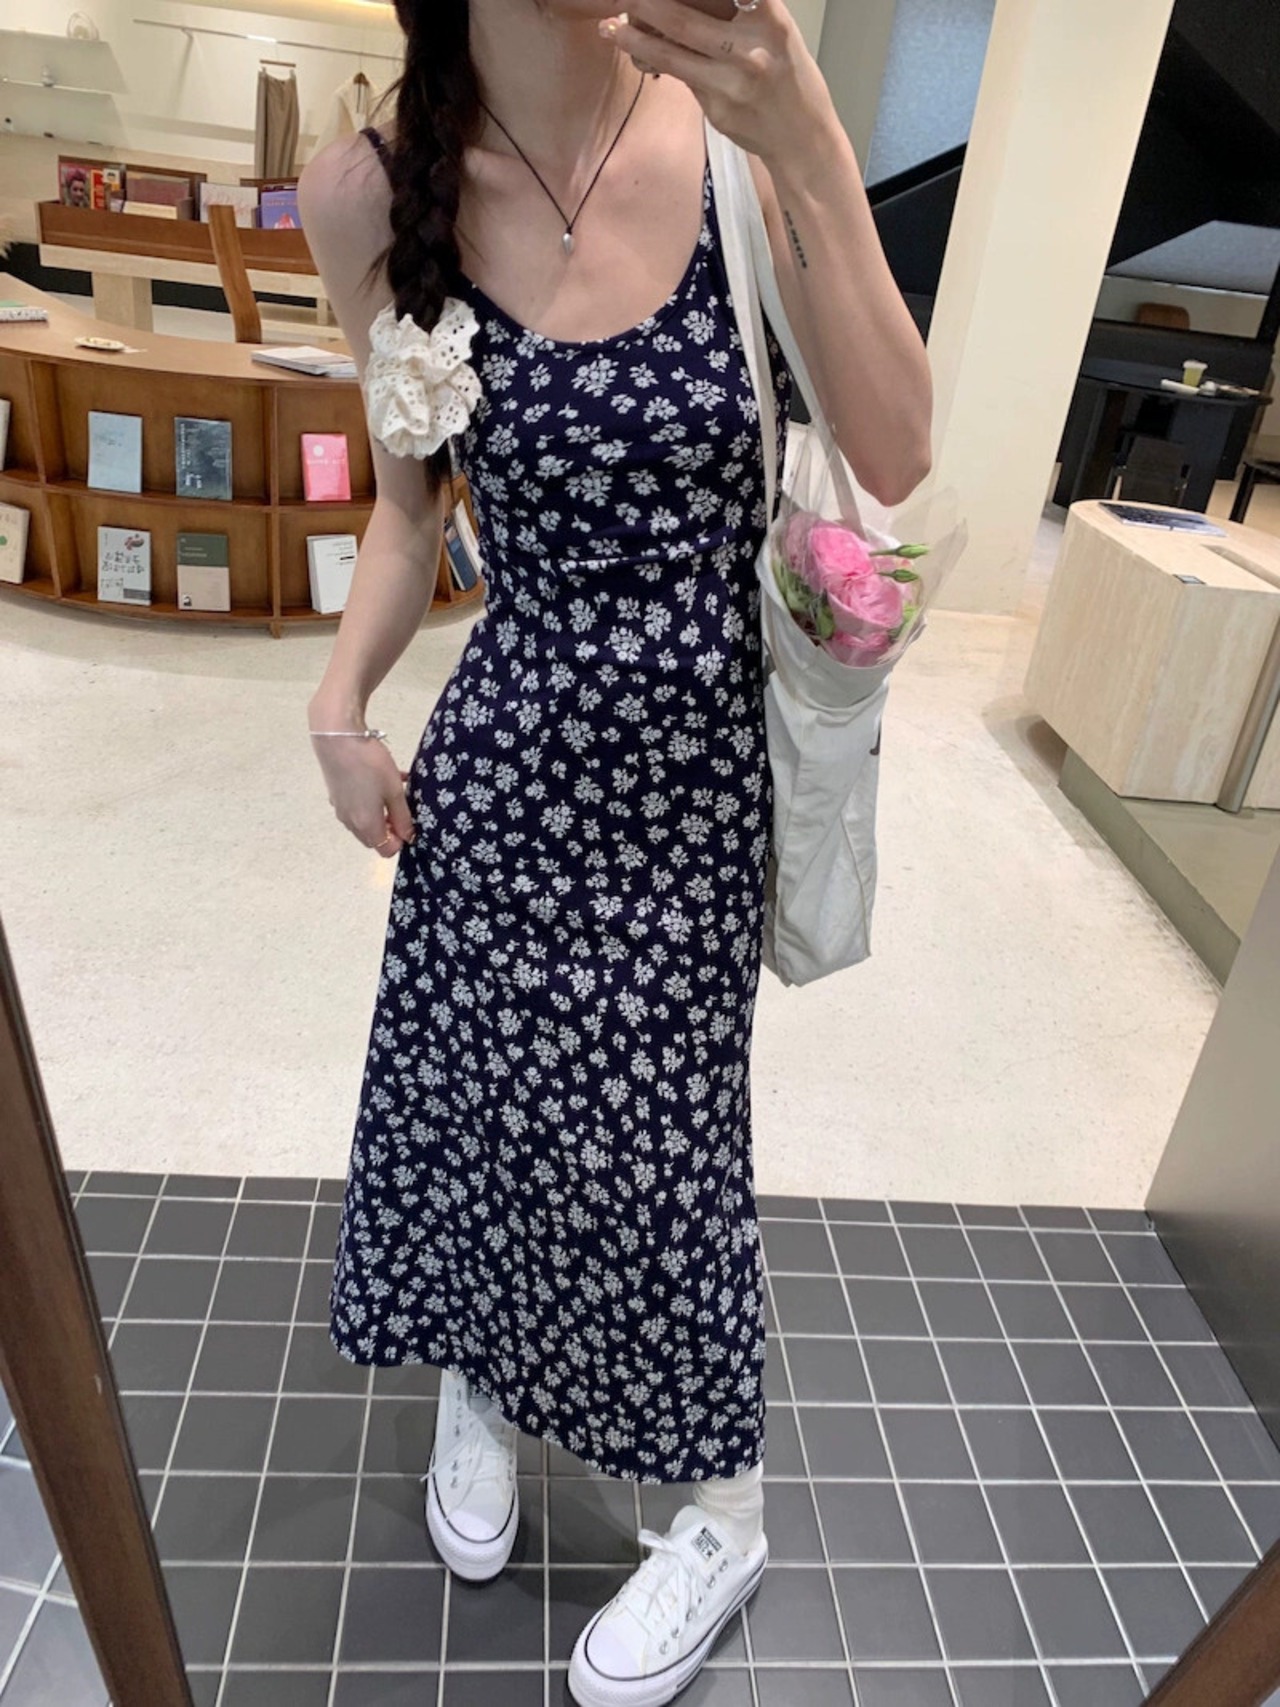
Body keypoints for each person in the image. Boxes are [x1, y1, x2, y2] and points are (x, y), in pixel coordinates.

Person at [297, 2, 931, 1702]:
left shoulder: (735, 138)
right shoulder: (368, 192)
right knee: (484, 1105)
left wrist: (809, 138)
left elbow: (898, 446)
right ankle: (484, 1374)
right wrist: (342, 701)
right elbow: (412, 505)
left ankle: (725, 1510)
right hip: (504, 774)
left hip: (696, 789)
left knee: (667, 1161)